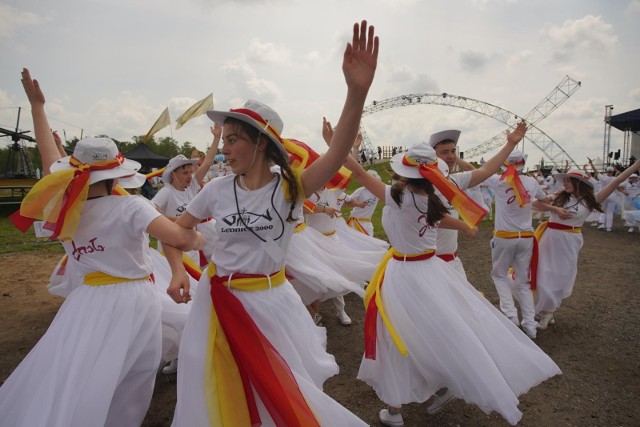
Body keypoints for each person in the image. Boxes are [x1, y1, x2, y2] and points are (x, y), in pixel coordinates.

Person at [162, 20, 378, 427]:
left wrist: (356, 93)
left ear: (260, 142)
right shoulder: (217, 190)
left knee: (276, 392)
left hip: (271, 304)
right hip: (217, 302)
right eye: (223, 141)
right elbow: (175, 233)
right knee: (212, 384)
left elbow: (334, 156)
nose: (224, 150)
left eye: (232, 140)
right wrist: (177, 269)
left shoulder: (289, 189)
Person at [0, 69, 204, 427]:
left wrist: (38, 109)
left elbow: (51, 167)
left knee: (78, 374)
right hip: (133, 299)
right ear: (117, 173)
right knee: (134, 377)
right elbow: (181, 238)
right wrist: (200, 234)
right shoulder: (131, 206)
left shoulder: (64, 206)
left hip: (85, 301)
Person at [339, 142, 560, 426]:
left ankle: (395, 409)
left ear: (404, 174)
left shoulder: (398, 197)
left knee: (393, 335)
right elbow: (439, 218)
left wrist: (339, 144)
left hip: (404, 273)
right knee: (437, 327)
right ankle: (442, 383)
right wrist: (465, 225)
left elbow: (357, 172)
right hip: (432, 270)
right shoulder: (436, 196)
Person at [533, 161, 640, 329]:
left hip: (570, 241)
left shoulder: (591, 200)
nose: (565, 183)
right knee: (543, 272)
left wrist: (636, 165)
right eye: (565, 180)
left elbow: (617, 180)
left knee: (559, 276)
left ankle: (548, 311)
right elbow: (535, 204)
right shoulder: (559, 195)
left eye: (569, 181)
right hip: (549, 238)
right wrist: (555, 209)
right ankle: (546, 311)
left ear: (578, 184)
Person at [428, 124, 528, 279]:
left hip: (451, 261)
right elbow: (430, 216)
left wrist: (510, 144)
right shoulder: (424, 185)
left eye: (453, 151)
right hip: (431, 265)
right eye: (444, 152)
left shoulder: (454, 180)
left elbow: (485, 170)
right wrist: (464, 226)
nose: (451, 156)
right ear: (432, 156)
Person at [485, 150, 547, 339]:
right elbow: (543, 198)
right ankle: (530, 324)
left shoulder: (498, 181)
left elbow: (476, 172)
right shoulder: (532, 182)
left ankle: (511, 316)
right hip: (526, 237)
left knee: (499, 275)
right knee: (523, 282)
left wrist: (459, 161)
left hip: (505, 237)